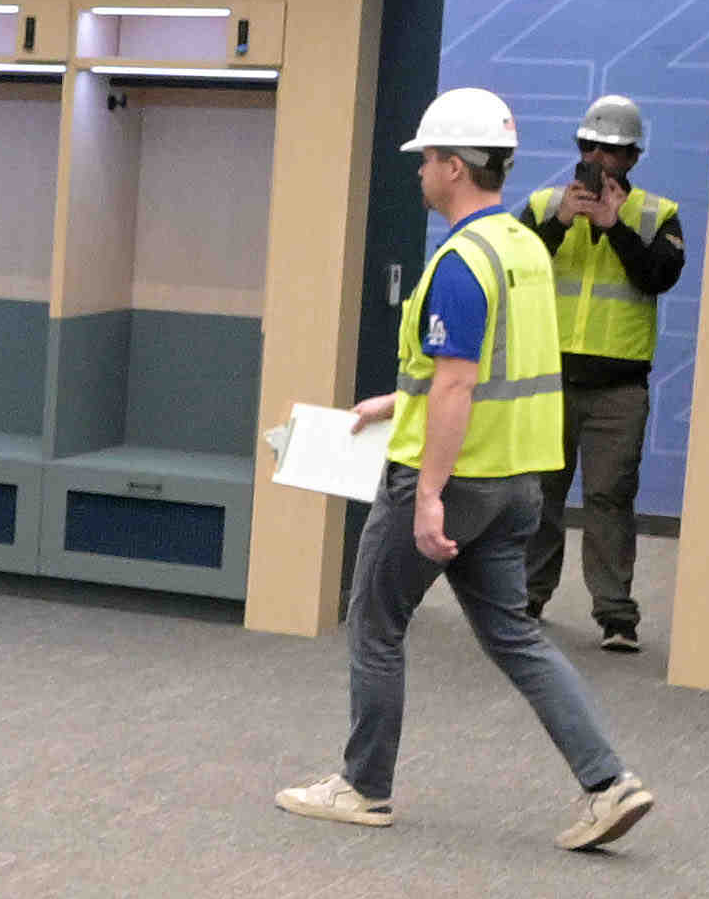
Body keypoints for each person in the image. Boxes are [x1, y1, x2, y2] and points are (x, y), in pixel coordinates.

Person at [282, 88, 653, 851]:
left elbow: (458, 382)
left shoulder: (460, 259)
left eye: (426, 159)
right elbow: (474, 366)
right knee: (516, 637)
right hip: (517, 483)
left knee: (377, 624)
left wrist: (425, 496)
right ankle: (607, 782)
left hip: (453, 480)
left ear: (454, 165)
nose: (420, 171)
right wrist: (401, 396)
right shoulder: (521, 248)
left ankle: (363, 786)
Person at [520, 93, 685, 655]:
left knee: (610, 501)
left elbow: (658, 277)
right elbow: (515, 272)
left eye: (612, 150)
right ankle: (527, 599)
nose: (599, 158)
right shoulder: (545, 204)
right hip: (548, 382)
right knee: (539, 497)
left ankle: (616, 616)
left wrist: (614, 227)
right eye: (590, 146)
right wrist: (562, 223)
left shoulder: (656, 215)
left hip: (618, 392)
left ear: (632, 159)